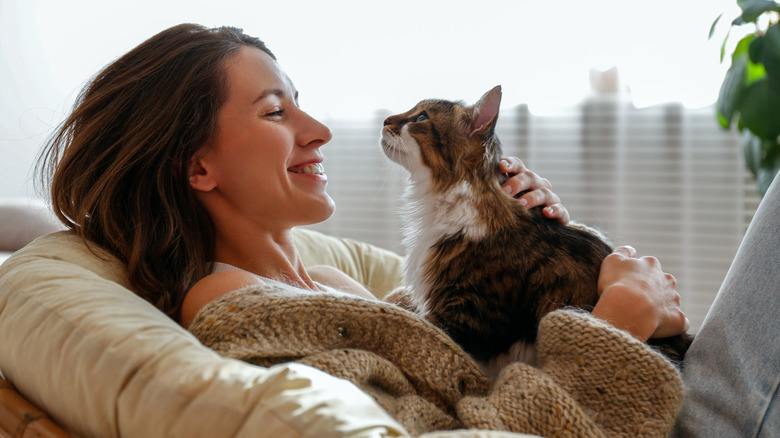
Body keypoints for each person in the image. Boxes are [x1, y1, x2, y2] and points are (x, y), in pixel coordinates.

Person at [38, 23, 696, 436]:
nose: (318, 129)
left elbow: (474, 360)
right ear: (198, 166)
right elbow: (466, 427)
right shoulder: (233, 306)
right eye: (276, 112)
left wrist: (529, 250)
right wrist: (613, 327)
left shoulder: (324, 281)